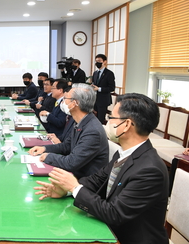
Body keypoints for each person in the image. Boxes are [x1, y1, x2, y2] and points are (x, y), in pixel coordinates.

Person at [34, 93, 169, 244]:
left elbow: (114, 213)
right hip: (110, 229)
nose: (108, 122)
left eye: (112, 118)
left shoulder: (150, 170)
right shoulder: (124, 152)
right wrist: (66, 190)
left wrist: (74, 187)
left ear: (127, 124)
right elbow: (96, 180)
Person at [29, 83, 108, 179]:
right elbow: (66, 146)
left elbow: (71, 163)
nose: (62, 102)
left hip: (84, 182)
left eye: (65, 99)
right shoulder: (80, 121)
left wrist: (48, 156)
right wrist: (44, 148)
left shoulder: (92, 131)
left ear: (74, 103)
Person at [91, 54, 115, 124]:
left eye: (99, 61)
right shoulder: (95, 73)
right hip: (95, 99)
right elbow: (94, 83)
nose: (97, 63)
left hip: (103, 100)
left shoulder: (109, 73)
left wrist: (99, 89)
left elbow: (111, 88)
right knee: (94, 117)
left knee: (100, 119)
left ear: (104, 62)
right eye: (96, 61)